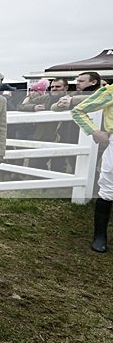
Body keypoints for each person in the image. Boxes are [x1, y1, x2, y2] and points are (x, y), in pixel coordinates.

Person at [71, 84, 113, 253]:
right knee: (108, 187)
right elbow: (78, 111)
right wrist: (95, 132)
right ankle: (100, 235)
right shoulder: (110, 92)